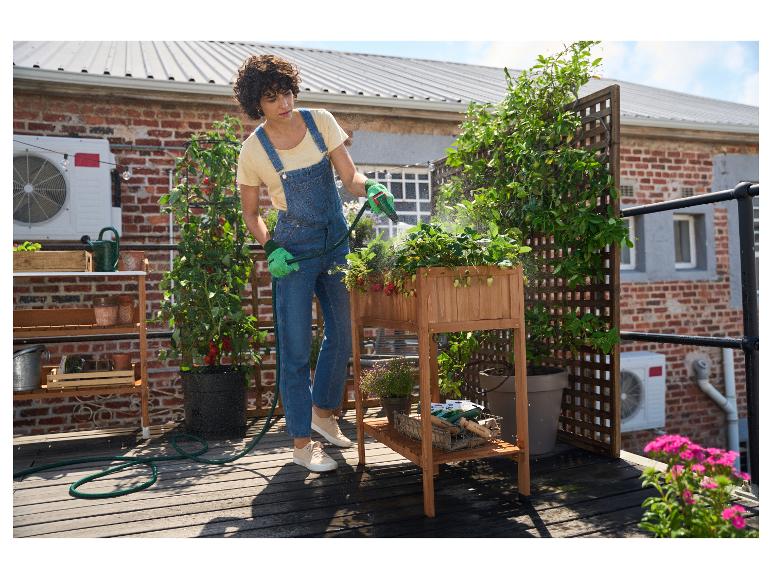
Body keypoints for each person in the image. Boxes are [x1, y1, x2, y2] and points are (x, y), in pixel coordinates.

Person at [234, 55, 395, 473]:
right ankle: (302, 443)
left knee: (342, 335)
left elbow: (349, 177)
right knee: (294, 349)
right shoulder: (253, 150)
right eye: (272, 98)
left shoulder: (321, 121)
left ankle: (324, 415)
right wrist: (271, 249)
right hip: (294, 252)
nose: (284, 103)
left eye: (286, 92)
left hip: (335, 241)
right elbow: (251, 214)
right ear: (258, 103)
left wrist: (371, 187)